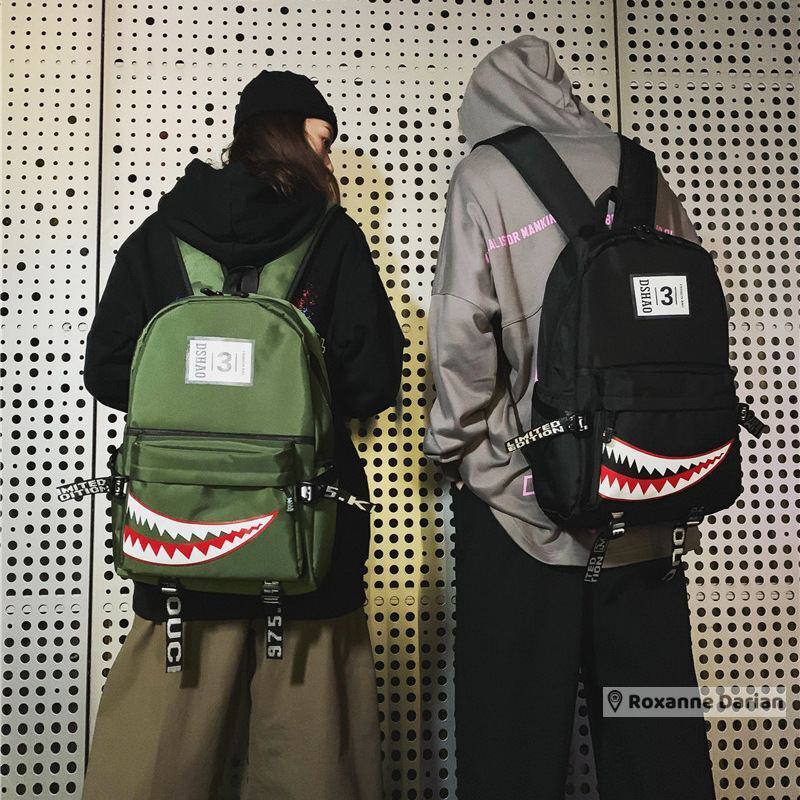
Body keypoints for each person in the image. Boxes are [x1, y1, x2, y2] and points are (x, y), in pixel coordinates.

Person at [81, 69, 404, 800]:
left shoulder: (161, 235)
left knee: (155, 765)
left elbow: (106, 370)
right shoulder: (334, 239)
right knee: (312, 767)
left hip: (179, 542)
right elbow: (374, 382)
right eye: (322, 140)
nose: (328, 158)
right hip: (307, 545)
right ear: (287, 135)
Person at [423, 36, 717, 800]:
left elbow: (460, 334)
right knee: (658, 755)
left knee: (513, 752)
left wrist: (455, 448)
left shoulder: (485, 175)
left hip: (524, 508)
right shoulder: (641, 168)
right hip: (644, 502)